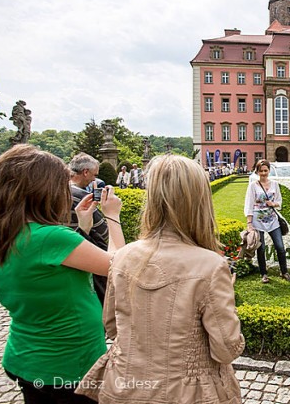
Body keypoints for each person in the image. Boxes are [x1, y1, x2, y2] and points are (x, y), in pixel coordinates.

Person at [76, 154, 244, 404]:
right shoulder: (210, 266)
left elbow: (111, 326)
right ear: (200, 202)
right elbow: (226, 348)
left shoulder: (123, 257)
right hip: (188, 391)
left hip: (125, 385)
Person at [0, 144, 124, 404]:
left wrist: (82, 228)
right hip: (69, 363)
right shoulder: (51, 238)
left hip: (25, 355)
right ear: (44, 191)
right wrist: (112, 217)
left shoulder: (0, 234)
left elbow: (44, 270)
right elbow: (122, 266)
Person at [68, 152, 110, 304]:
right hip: (88, 253)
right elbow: (103, 230)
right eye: (94, 174)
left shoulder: (55, 192)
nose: (94, 179)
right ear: (85, 172)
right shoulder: (82, 196)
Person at [244, 159, 290, 284]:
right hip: (258, 220)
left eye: (265, 170)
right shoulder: (253, 186)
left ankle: (284, 272)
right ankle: (264, 274)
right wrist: (249, 223)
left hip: (272, 220)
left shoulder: (274, 184)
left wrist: (273, 203)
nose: (263, 173)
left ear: (269, 171)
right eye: (261, 171)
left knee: (280, 247)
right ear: (257, 172)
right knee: (261, 249)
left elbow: (280, 202)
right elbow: (249, 204)